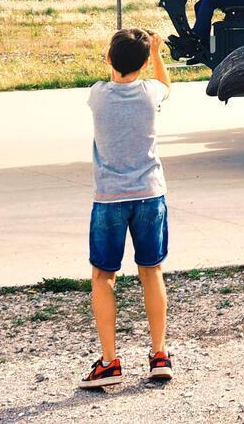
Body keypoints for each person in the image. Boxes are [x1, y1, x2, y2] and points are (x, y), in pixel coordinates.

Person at [79, 28, 173, 389]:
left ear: (108, 60)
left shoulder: (98, 95)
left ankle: (109, 361)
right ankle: (159, 354)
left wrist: (136, 53)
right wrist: (157, 53)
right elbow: (165, 83)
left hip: (109, 199)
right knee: (151, 271)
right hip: (150, 194)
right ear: (145, 63)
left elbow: (116, 73)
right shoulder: (151, 94)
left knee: (103, 277)